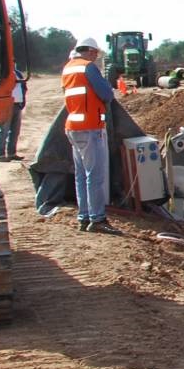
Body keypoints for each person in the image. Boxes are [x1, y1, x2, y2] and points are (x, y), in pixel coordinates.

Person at [61, 37, 118, 234]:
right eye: (95, 53)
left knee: (81, 175)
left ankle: (84, 216)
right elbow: (107, 95)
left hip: (73, 127)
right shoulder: (88, 68)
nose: (95, 57)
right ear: (90, 51)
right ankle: (97, 219)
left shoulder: (68, 68)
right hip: (90, 127)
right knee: (95, 175)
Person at [0, 66, 26, 161]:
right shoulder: (1, 73)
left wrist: (23, 101)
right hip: (6, 105)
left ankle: (12, 153)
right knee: (4, 130)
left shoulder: (18, 73)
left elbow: (24, 88)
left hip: (17, 104)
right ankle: (0, 155)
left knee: (15, 131)